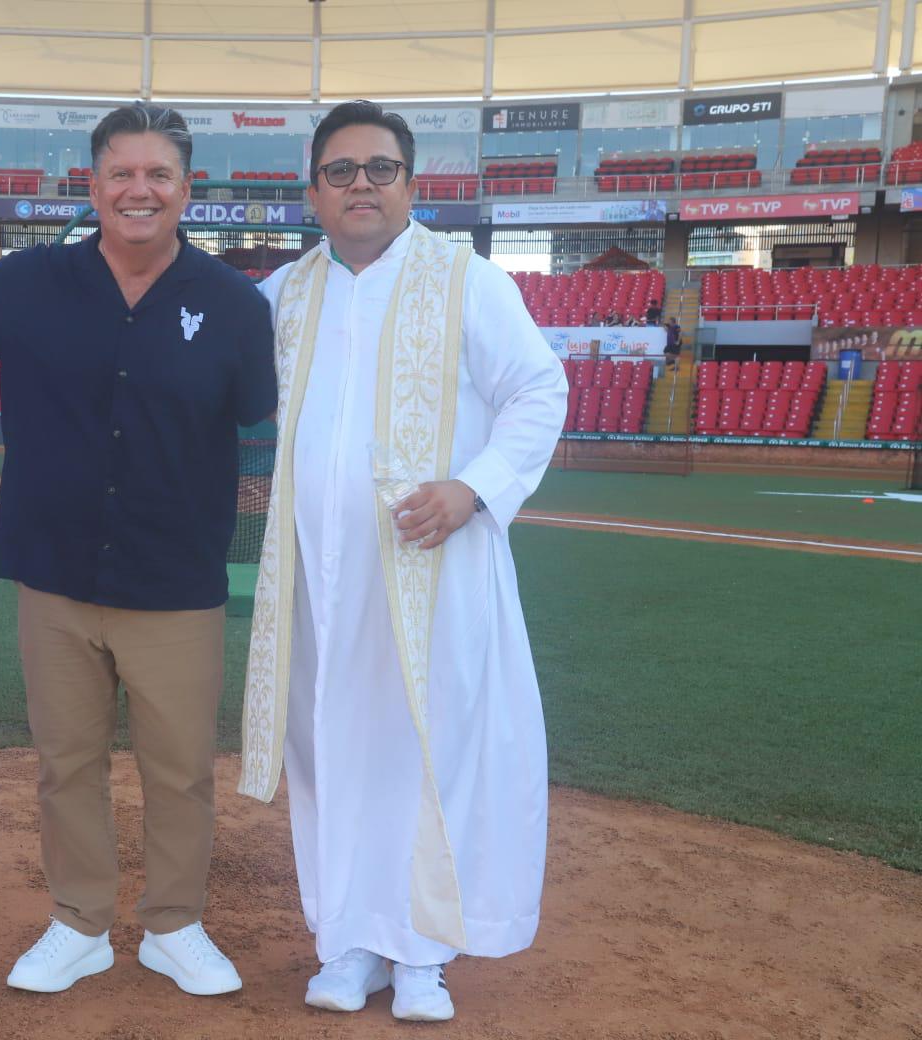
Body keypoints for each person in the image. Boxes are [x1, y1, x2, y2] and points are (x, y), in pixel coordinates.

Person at [0, 104, 276, 998]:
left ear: (187, 190)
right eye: (120, 173)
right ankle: (80, 922)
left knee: (179, 769)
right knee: (65, 762)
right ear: (93, 184)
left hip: (176, 580)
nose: (138, 189)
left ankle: (174, 924)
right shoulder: (34, 280)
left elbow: (258, 419)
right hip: (57, 573)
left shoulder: (231, 304)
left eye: (158, 174)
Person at [239, 101, 567, 1022]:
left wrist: (475, 488)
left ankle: (420, 953)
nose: (361, 186)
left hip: (434, 572)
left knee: (427, 752)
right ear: (313, 189)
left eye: (380, 169)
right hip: (318, 580)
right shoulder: (282, 294)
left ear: (412, 185)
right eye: (340, 170)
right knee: (328, 753)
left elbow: (539, 390)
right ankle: (345, 941)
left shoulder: (468, 281)